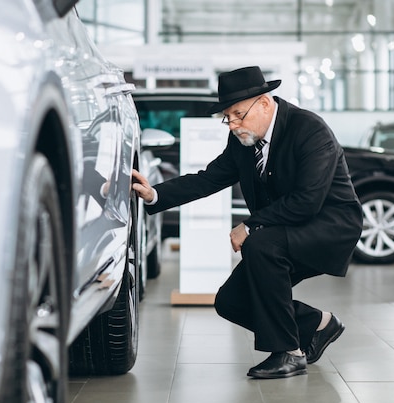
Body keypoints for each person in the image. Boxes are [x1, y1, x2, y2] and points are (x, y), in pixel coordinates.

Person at [131, 66, 363, 379]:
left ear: (265, 103)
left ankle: (289, 354)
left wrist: (251, 225)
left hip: (331, 224)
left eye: (239, 114)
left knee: (261, 244)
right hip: (285, 228)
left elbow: (308, 201)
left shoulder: (310, 129)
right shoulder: (243, 140)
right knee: (231, 301)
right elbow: (209, 179)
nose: (234, 124)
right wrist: (154, 194)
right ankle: (319, 324)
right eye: (228, 117)